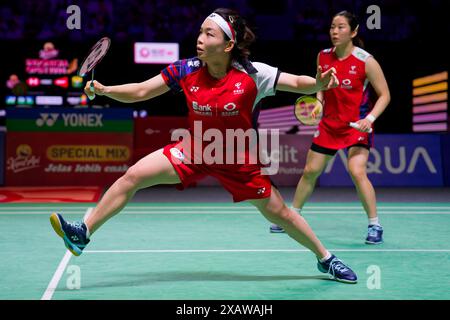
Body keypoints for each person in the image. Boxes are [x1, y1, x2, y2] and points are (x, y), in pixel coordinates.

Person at [50, 8, 357, 283]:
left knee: (281, 214)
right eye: (200, 31)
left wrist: (318, 83)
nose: (200, 37)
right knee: (133, 176)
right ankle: (83, 233)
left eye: (209, 33)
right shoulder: (185, 69)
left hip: (238, 158)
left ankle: (326, 259)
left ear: (227, 44)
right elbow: (142, 91)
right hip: (195, 150)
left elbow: (299, 83)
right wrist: (105, 90)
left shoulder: (252, 74)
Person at [270, 11, 390, 246]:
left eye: (341, 27)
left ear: (353, 32)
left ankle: (375, 225)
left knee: (357, 171)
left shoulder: (366, 61)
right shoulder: (323, 57)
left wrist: (371, 119)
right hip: (329, 126)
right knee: (309, 171)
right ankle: (293, 217)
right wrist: (318, 104)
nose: (335, 32)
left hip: (356, 125)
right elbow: (321, 86)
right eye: (332, 27)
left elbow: (385, 95)